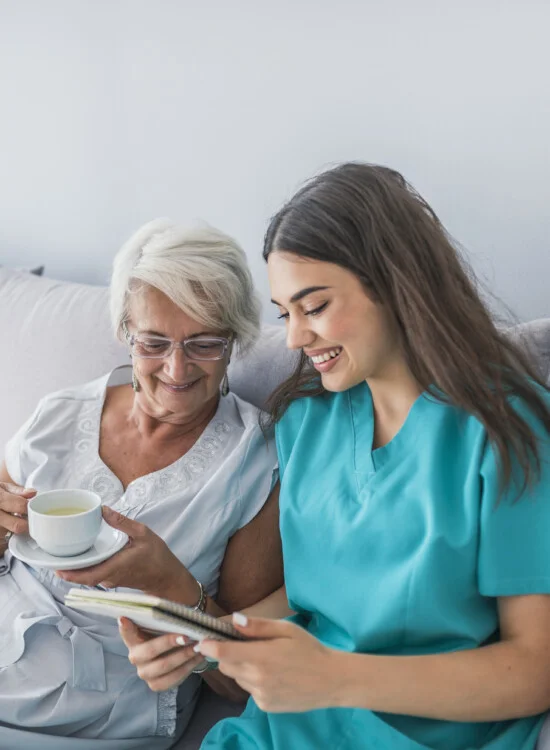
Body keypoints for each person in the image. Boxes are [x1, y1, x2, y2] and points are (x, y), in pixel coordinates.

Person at [122, 165, 550, 750]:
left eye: (314, 306)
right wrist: (205, 642)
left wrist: (337, 677)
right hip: (283, 733)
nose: (295, 338)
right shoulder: (306, 424)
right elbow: (305, 600)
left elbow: (534, 669)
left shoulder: (505, 427)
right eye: (284, 313)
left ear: (395, 284)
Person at [0, 219, 283, 749]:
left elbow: (240, 680)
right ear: (125, 332)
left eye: (204, 343)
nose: (176, 369)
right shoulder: (60, 414)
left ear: (235, 341)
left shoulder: (254, 462)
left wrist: (170, 584)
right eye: (154, 342)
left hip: (94, 716)